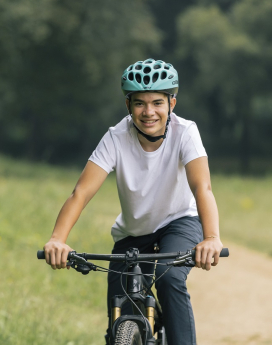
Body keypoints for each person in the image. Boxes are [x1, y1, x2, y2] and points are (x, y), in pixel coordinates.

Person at [44, 58, 223, 345]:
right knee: (119, 306)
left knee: (169, 279)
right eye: (139, 103)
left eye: (157, 102)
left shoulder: (185, 132)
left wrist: (211, 237)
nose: (149, 111)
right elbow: (81, 192)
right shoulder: (115, 138)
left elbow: (202, 187)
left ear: (171, 104)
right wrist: (58, 239)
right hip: (133, 232)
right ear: (128, 106)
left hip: (180, 222)